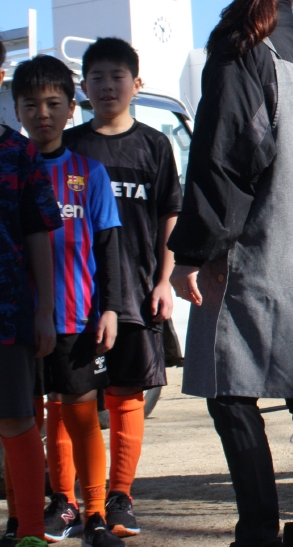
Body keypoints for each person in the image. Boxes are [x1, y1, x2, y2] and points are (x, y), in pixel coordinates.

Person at [168, 0, 293, 547]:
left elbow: (223, 159)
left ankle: (259, 531)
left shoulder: (240, 48)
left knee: (229, 389)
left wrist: (193, 251)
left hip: (251, 244)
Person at [62, 37, 182, 538]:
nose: (108, 86)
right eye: (97, 78)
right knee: (69, 399)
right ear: (84, 87)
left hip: (137, 291)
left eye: (117, 77)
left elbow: (169, 215)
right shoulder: (70, 145)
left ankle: (121, 496)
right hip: (75, 296)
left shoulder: (154, 145)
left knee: (127, 394)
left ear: (137, 84)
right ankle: (68, 500)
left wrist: (165, 280)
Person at [13, 58, 123, 547]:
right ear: (16, 109)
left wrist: (111, 308)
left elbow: (109, 245)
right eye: (31, 105)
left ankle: (94, 515)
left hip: (76, 319)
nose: (42, 114)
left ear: (70, 108)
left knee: (81, 420)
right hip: (16, 322)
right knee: (23, 424)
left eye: (53, 104)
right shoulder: (11, 167)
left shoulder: (88, 172)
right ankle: (23, 519)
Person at [0, 41, 63, 547]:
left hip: (8, 314)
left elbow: (40, 232)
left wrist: (45, 309)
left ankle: (31, 531)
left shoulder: (18, 154)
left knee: (18, 418)